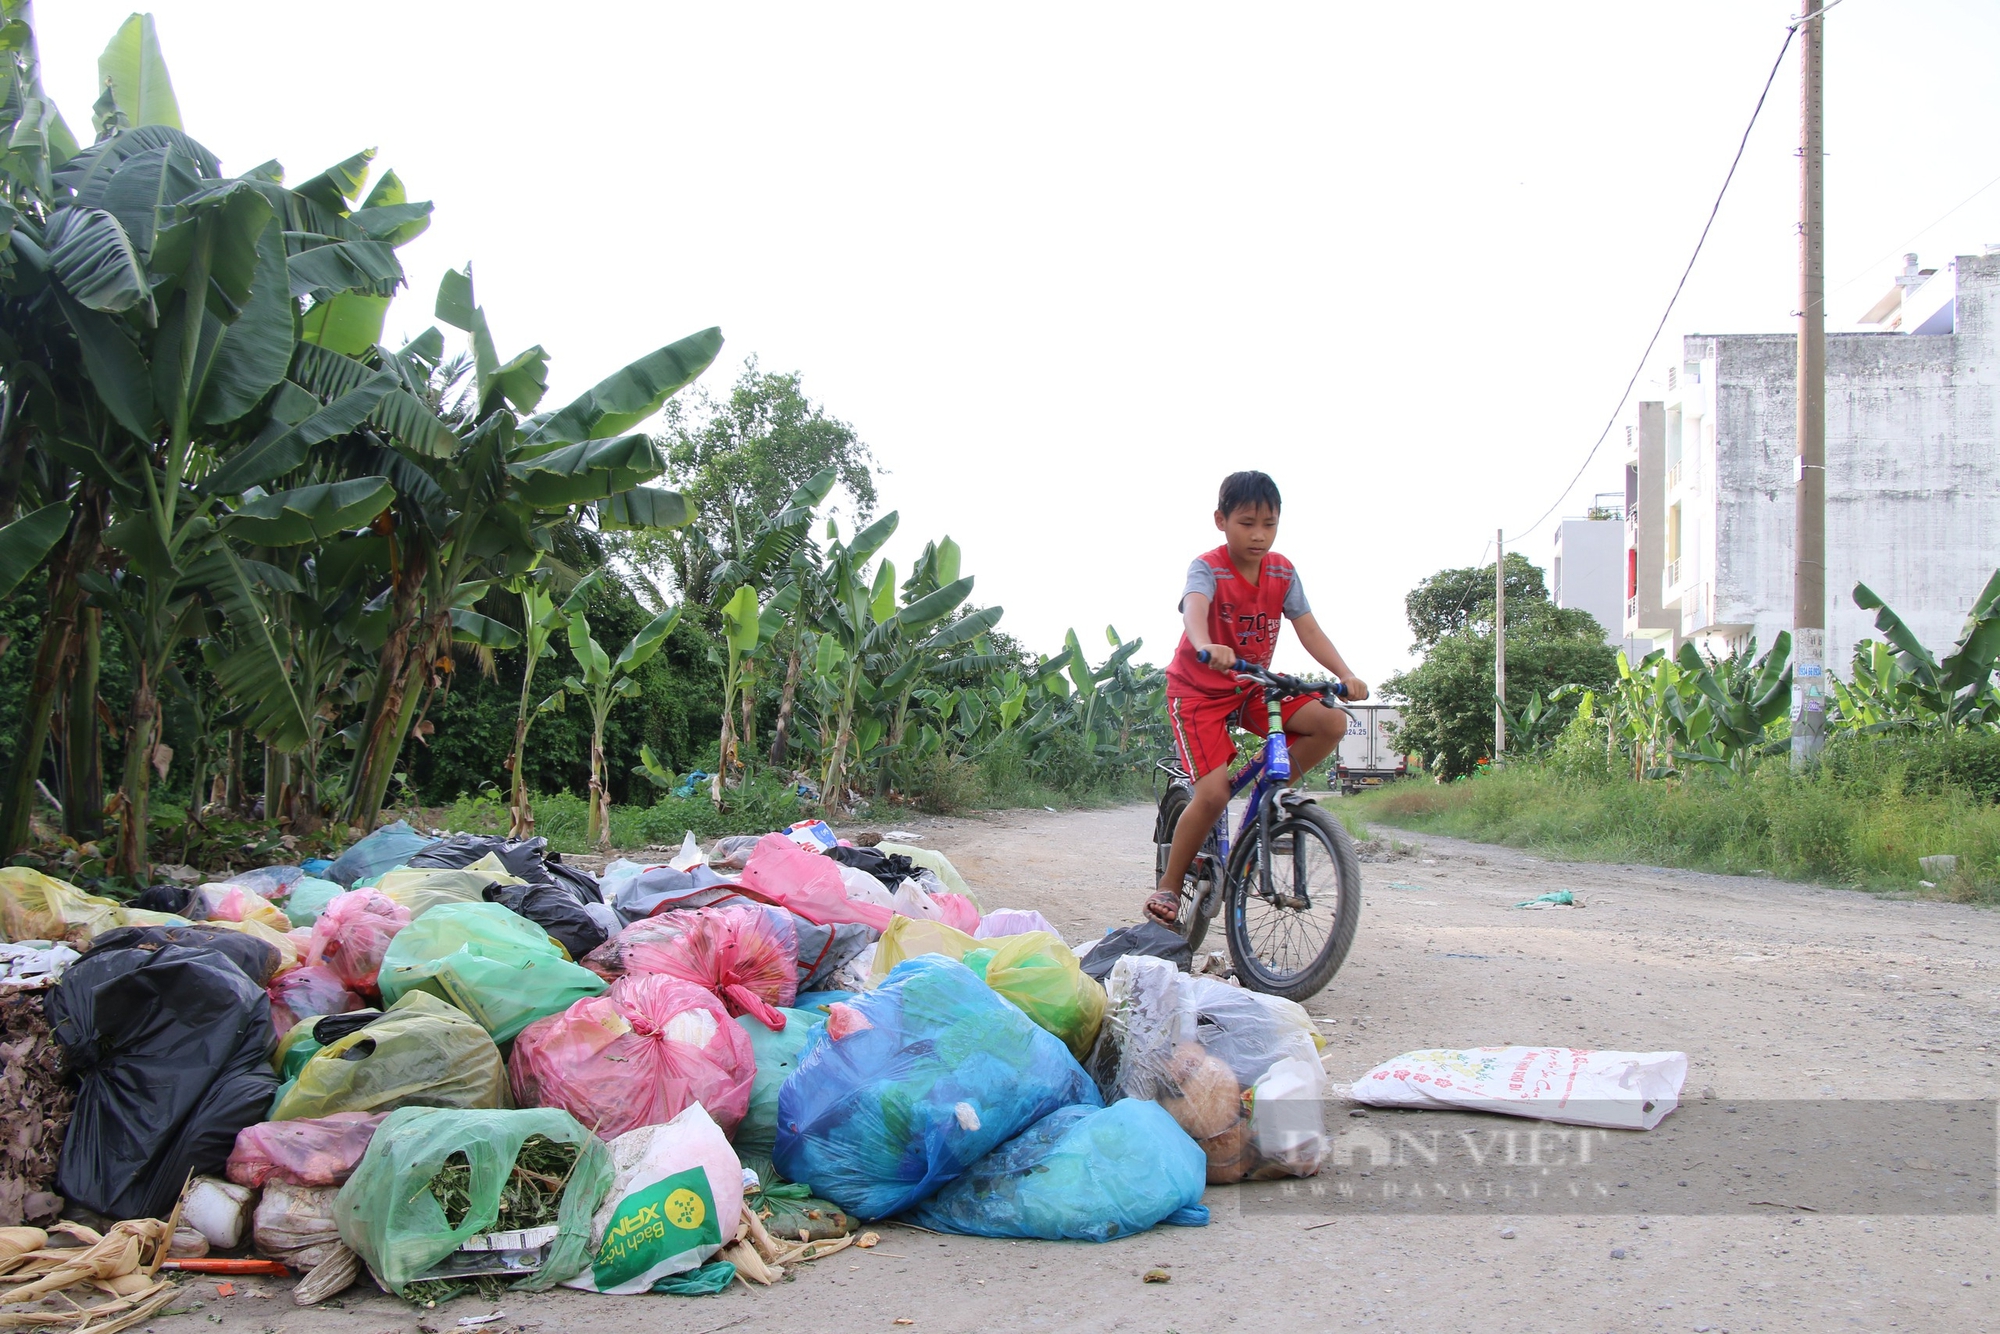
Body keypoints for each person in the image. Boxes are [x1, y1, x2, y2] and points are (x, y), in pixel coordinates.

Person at [1144, 470, 1368, 927]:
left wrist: (1344, 673)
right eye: (1247, 523)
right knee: (1211, 794)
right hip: (1198, 690)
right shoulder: (1208, 567)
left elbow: (1308, 628)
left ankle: (1268, 804)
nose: (1259, 535)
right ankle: (1169, 885)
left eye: (1270, 523)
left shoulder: (1283, 571)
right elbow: (1194, 607)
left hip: (1252, 683)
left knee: (1330, 722)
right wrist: (1208, 644)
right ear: (1220, 520)